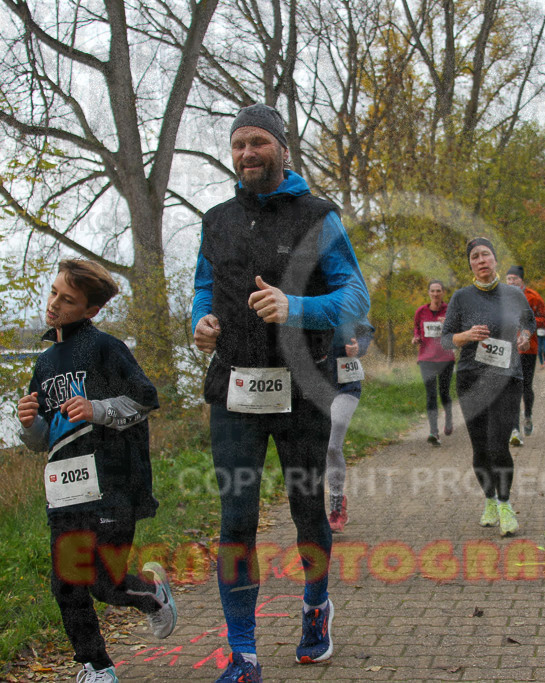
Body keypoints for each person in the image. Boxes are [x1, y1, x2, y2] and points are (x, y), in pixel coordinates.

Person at [191, 103, 369, 683]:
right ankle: (242, 653)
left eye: (258, 143)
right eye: (239, 143)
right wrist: (201, 321)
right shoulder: (215, 220)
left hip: (303, 386)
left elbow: (355, 300)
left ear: (283, 150)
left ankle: (316, 605)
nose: (247, 153)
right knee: (235, 519)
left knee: (305, 509)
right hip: (235, 390)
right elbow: (202, 286)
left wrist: (297, 306)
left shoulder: (320, 217)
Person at [16, 260, 176, 683]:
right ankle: (97, 668)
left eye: (67, 300)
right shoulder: (45, 363)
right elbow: (43, 440)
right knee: (67, 584)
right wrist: (30, 423)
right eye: (53, 293)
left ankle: (153, 596)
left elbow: (146, 398)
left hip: (113, 484)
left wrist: (98, 409)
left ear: (91, 310)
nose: (53, 305)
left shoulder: (106, 348)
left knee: (106, 583)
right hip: (65, 489)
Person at [441, 238, 535, 537]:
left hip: (507, 377)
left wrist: (525, 336)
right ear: (470, 264)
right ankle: (490, 500)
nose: (481, 261)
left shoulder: (514, 294)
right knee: (480, 448)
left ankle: (506, 505)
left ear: (495, 259)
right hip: (471, 378)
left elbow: (530, 324)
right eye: (475, 257)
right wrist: (466, 335)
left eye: (486, 255)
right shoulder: (461, 297)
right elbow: (445, 339)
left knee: (498, 444)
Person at [324, 318, 374, 532]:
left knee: (332, 445)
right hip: (317, 384)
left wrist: (358, 347)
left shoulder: (348, 299)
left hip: (346, 386)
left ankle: (336, 505)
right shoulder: (308, 300)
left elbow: (366, 331)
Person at [504, 265, 545, 445]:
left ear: (522, 280)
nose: (511, 282)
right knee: (512, 387)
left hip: (528, 348)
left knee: (525, 387)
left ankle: (528, 415)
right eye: (508, 279)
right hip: (508, 347)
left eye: (514, 278)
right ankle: (514, 429)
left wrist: (528, 321)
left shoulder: (533, 296)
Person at [412, 280, 456, 445]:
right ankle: (433, 431)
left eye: (438, 291)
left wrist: (448, 325)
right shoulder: (421, 311)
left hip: (445, 358)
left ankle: (449, 417)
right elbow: (417, 328)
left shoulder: (449, 311)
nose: (436, 294)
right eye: (433, 291)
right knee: (431, 395)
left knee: (444, 392)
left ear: (443, 292)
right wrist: (416, 337)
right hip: (426, 358)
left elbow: (457, 331)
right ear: (429, 293)